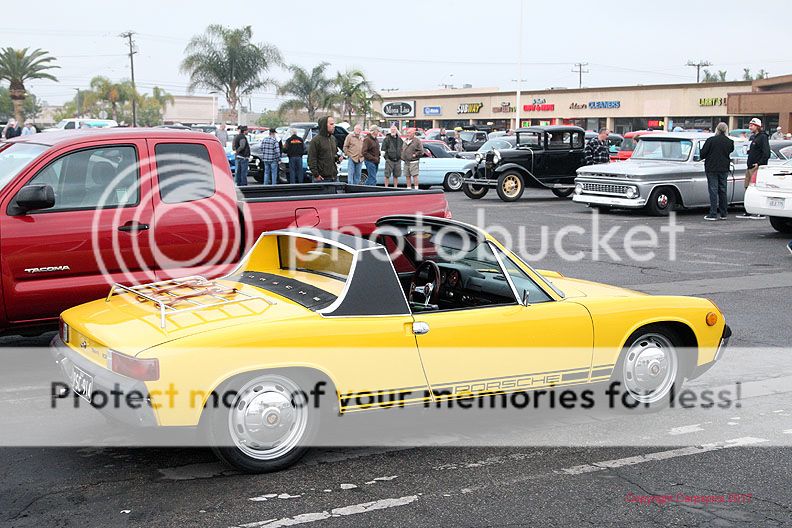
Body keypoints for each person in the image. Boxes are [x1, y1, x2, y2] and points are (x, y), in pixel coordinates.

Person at [699, 122, 734, 221]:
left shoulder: (710, 140)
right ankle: (724, 213)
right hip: (724, 168)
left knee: (713, 190)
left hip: (711, 168)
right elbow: (730, 151)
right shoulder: (730, 142)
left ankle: (713, 213)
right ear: (726, 130)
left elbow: (703, 154)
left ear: (717, 129)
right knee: (723, 190)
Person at [738, 118, 770, 219]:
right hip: (749, 166)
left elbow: (766, 153)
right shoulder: (753, 137)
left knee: (757, 189)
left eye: (752, 125)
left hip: (756, 167)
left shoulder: (763, 137)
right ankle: (748, 210)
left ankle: (761, 212)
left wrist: (759, 164)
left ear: (757, 126)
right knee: (748, 188)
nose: (750, 127)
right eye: (750, 125)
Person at [307, 116, 339, 182]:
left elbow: (334, 155)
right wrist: (316, 175)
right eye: (331, 124)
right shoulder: (315, 141)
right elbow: (311, 159)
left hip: (334, 176)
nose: (334, 126)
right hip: (322, 178)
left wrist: (338, 158)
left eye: (334, 124)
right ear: (324, 125)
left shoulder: (333, 139)